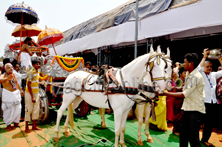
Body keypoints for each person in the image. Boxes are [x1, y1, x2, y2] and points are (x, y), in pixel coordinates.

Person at [156, 53, 205, 147]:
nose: (183, 64)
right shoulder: (188, 74)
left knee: (193, 139)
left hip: (195, 111)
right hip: (187, 109)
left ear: (191, 64)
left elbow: (184, 94)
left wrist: (165, 93)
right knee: (183, 137)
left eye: (185, 62)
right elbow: (181, 86)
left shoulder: (195, 76)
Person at [198, 49, 222, 147]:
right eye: (207, 66)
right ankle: (193, 138)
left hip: (212, 102)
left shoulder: (214, 74)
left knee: (209, 123)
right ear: (204, 67)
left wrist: (220, 59)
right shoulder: (201, 74)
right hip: (203, 102)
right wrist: (204, 57)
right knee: (198, 122)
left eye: (211, 66)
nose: (209, 68)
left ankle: (204, 139)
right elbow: (199, 68)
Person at [0, 63, 24, 130]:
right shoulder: (3, 75)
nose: (11, 69)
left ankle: (16, 122)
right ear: (5, 69)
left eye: (12, 67)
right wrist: (7, 78)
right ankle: (8, 124)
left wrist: (21, 90)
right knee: (8, 110)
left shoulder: (14, 75)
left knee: (18, 108)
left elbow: (16, 83)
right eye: (9, 67)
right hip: (8, 94)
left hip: (16, 93)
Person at [24, 58, 42, 133]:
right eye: (36, 64)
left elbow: (37, 81)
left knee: (36, 109)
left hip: (36, 92)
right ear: (33, 65)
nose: (38, 65)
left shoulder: (38, 72)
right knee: (28, 109)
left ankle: (34, 126)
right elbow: (28, 85)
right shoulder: (31, 72)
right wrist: (32, 96)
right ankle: (26, 127)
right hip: (29, 93)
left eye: (39, 64)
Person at [172, 67, 187, 135]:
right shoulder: (178, 80)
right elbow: (174, 73)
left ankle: (180, 129)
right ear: (180, 74)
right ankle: (175, 130)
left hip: (185, 101)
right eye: (184, 73)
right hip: (177, 101)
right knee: (177, 116)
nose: (186, 74)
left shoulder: (187, 80)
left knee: (183, 116)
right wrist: (178, 66)